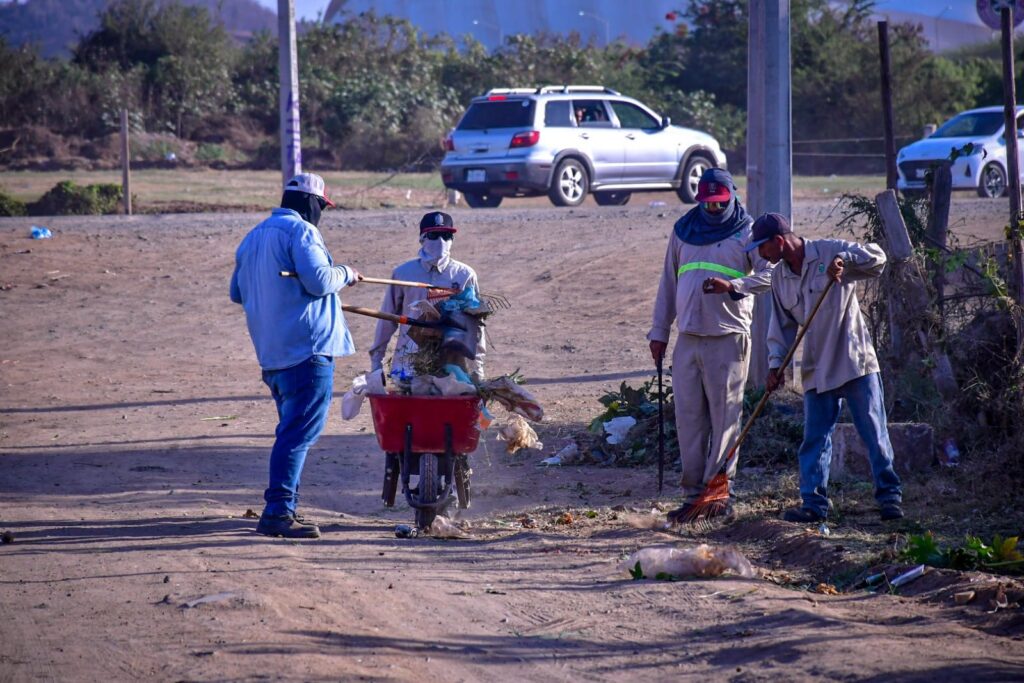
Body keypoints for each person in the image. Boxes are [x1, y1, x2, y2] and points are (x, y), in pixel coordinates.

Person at [230, 172, 362, 539]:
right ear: (310, 204)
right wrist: (347, 273)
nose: (321, 214)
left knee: (291, 433)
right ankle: (278, 513)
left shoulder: (253, 237)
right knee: (296, 436)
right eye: (321, 207)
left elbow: (236, 293)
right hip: (307, 351)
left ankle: (283, 507)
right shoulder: (302, 232)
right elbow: (320, 281)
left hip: (272, 356)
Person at [749, 212, 904, 522]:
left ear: (778, 242)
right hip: (816, 366)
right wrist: (775, 365)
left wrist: (846, 260)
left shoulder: (830, 251)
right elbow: (781, 328)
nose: (759, 255)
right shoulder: (779, 277)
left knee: (874, 431)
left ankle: (890, 498)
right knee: (815, 439)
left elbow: (878, 259)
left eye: (762, 248)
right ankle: (814, 504)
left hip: (854, 360)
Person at [648, 168, 774, 523]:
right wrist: (659, 332)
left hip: (728, 338)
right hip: (688, 339)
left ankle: (717, 495)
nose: (715, 210)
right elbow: (668, 285)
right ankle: (692, 497)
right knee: (688, 419)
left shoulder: (748, 231)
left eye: (721, 203)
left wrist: (735, 286)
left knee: (725, 419)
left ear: (732, 195)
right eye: (708, 203)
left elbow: (770, 275)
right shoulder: (683, 231)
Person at [368, 211, 486, 382]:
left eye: (446, 236)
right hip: (408, 361)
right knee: (408, 407)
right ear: (422, 238)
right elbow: (387, 319)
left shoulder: (464, 275)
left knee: (449, 407)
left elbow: (476, 325)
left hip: (452, 364)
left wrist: (477, 367)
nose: (441, 242)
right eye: (434, 235)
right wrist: (376, 363)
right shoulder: (403, 274)